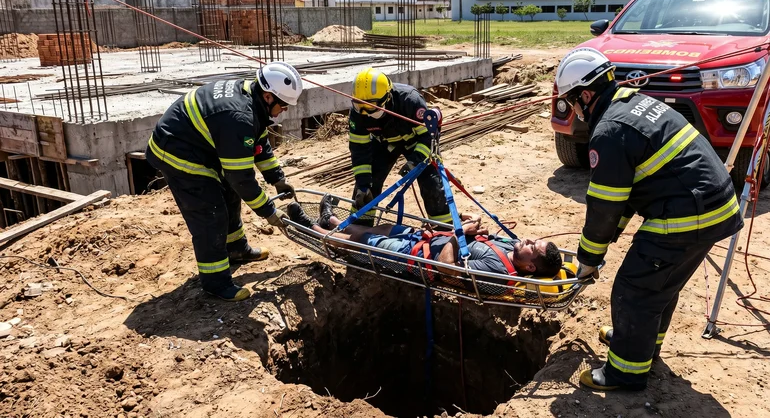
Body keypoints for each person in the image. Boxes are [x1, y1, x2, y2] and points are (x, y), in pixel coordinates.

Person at [555, 48, 744, 391]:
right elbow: (625, 195)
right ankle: (638, 345)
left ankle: (625, 373)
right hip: (711, 204)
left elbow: (605, 207)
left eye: (572, 102)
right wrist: (605, 244)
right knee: (659, 285)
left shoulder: (610, 131)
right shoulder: (635, 104)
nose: (576, 112)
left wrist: (587, 261)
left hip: (690, 213)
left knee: (635, 289)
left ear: (585, 94)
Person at [146, 62, 302, 302]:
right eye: (283, 105)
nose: (284, 111)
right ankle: (216, 282)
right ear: (269, 96)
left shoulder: (254, 101)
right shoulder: (239, 116)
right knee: (210, 212)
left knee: (230, 193)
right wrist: (269, 212)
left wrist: (277, 178)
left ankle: (236, 248)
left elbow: (259, 142)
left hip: (200, 145)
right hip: (177, 151)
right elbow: (241, 177)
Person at [286, 195, 563, 281]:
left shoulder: (499, 269)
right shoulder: (509, 248)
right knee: (379, 229)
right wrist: (471, 226)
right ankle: (332, 220)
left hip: (420, 257)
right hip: (427, 238)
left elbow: (448, 270)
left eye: (531, 246)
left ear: (529, 267)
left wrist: (458, 235)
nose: (525, 240)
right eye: (532, 239)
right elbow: (478, 240)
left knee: (364, 243)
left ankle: (312, 229)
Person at [347, 68, 451, 225]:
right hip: (384, 143)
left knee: (432, 183)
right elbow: (359, 149)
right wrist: (362, 183)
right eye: (359, 106)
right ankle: (360, 228)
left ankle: (443, 230)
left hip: (415, 142)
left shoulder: (410, 101)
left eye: (371, 107)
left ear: (387, 97)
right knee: (367, 186)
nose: (365, 113)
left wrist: (415, 162)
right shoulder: (358, 113)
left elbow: (428, 137)